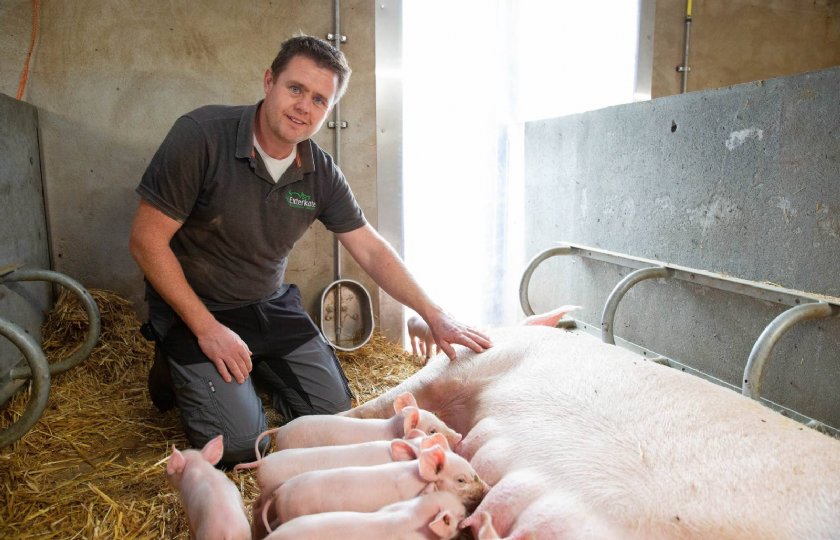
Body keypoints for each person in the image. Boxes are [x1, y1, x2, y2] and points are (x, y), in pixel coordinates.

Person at [128, 35, 492, 465]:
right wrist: (207, 330)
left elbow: (371, 250)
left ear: (329, 111)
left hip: (267, 305)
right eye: (295, 88)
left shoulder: (320, 172)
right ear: (269, 82)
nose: (304, 106)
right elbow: (145, 241)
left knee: (337, 419)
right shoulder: (202, 136)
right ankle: (175, 367)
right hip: (199, 310)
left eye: (319, 99)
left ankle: (255, 365)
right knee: (243, 446)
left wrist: (435, 314)